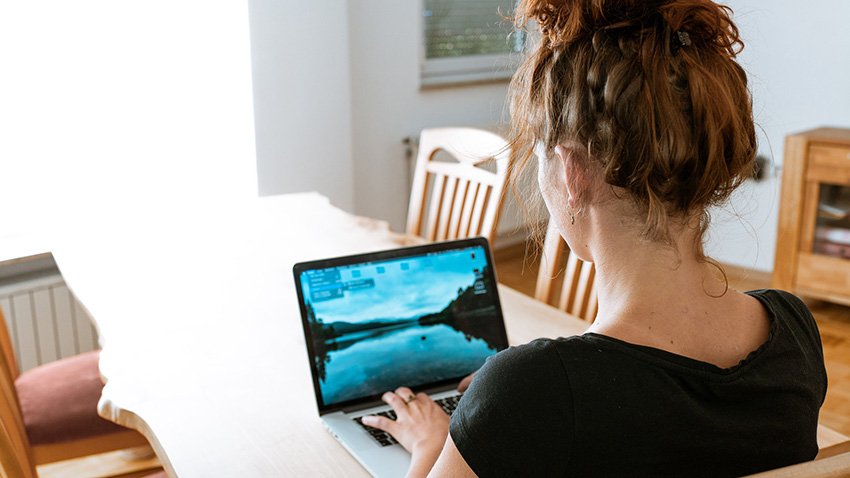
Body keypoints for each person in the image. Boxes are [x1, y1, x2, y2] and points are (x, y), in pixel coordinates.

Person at [362, 0, 827, 476]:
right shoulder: (795, 331)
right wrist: (512, 399)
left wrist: (433, 444)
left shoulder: (533, 394)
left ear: (571, 172)